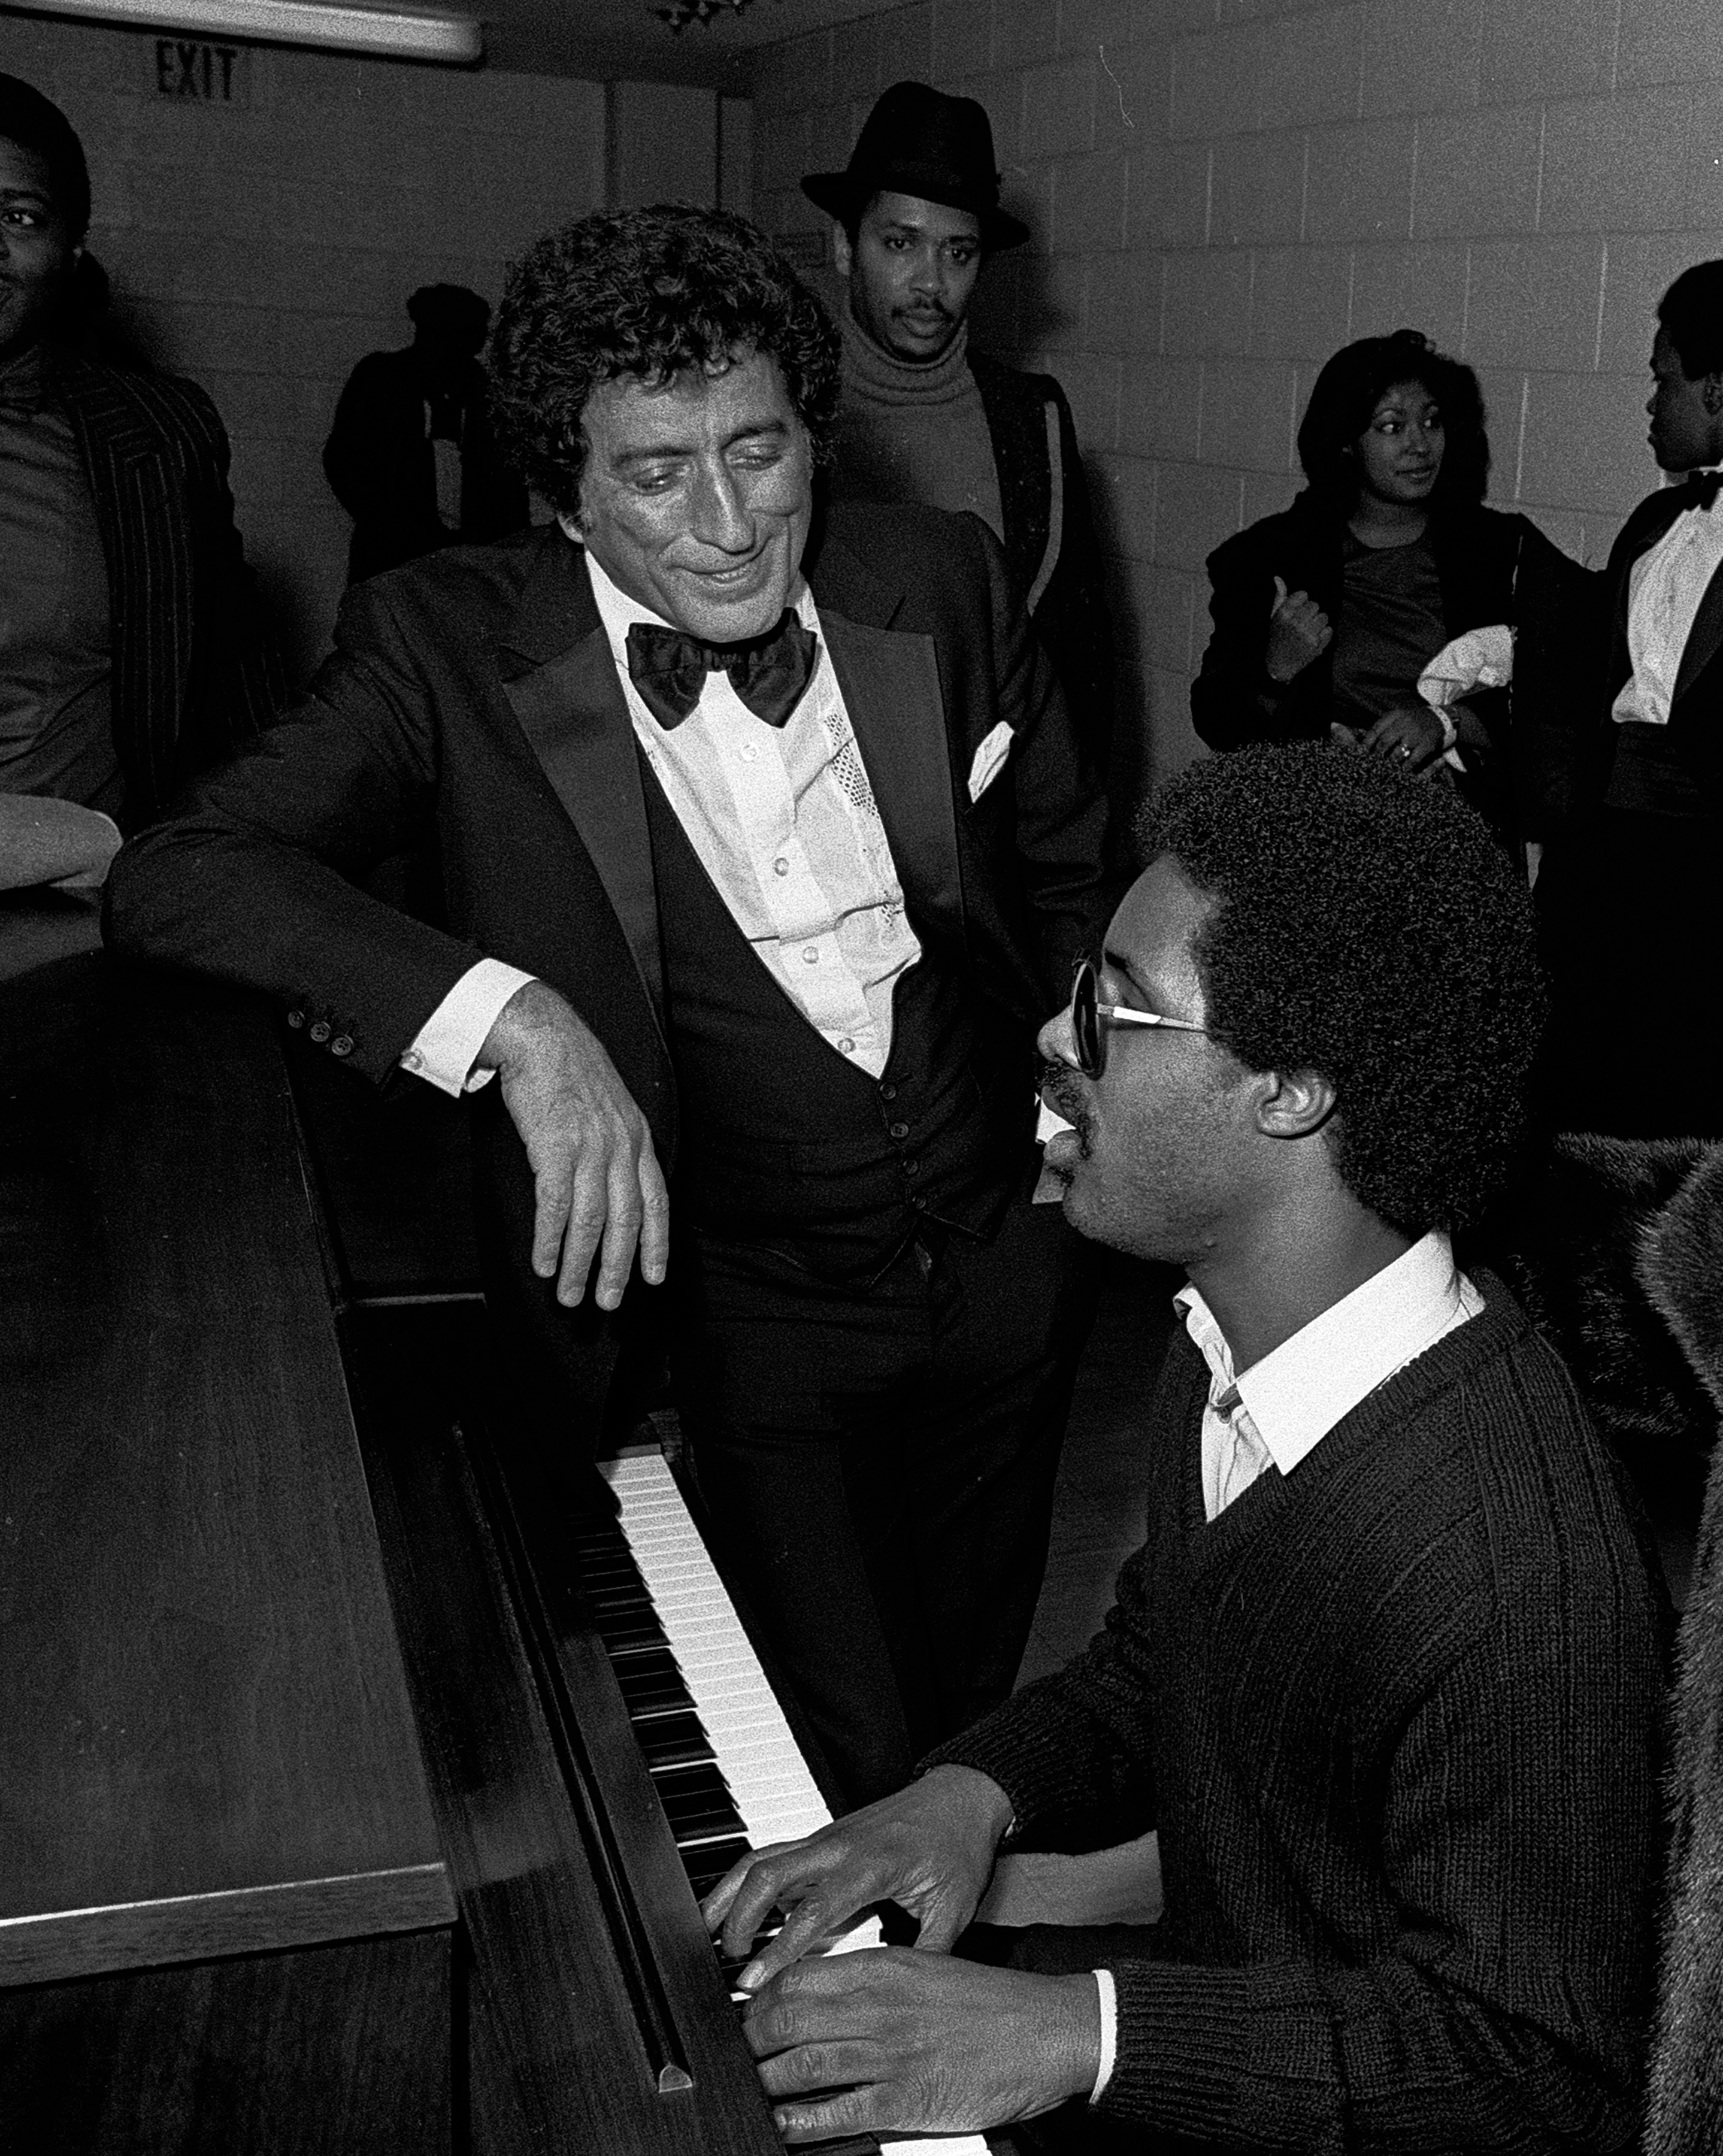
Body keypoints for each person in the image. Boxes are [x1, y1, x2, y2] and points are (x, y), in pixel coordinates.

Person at [107, 204, 1110, 1809]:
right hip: (751, 1315)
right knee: (839, 1752)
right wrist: (512, 1019)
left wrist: (1075, 1103)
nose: (728, 523)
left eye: (758, 451)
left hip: (1008, 1257)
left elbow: (1065, 869)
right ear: (566, 496)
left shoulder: (942, 577)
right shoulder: (444, 643)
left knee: (972, 1711)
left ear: (811, 435)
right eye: (655, 476)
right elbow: (181, 869)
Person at [704, 744, 1665, 2154]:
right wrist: (967, 1796)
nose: (1055, 1033)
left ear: (1289, 1090)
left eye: (1116, 1003)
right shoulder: (1227, 1338)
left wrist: (1076, 2032)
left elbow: (1533, 2070)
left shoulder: (1512, 1571)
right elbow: (1167, 1655)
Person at [803, 81, 1113, 767]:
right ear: (846, 247)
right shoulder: (786, 406)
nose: (930, 283)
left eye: (958, 253)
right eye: (900, 243)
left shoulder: (1031, 415)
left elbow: (1080, 657)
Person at [0, 72, 277, 834]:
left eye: (20, 217)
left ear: (71, 251)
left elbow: (235, 680)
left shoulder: (158, 432)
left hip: (72, 889)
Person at [1191, 330, 1586, 850]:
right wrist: (1276, 671)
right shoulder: (1275, 557)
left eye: (1432, 421)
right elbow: (1217, 721)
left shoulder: (1501, 550)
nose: (1420, 445)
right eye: (1392, 427)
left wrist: (1446, 724)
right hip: (1315, 834)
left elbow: (1573, 689)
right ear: (1346, 441)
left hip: (1456, 837)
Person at [1534, 261, 1723, 1140]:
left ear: (1717, 389)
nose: (1652, 404)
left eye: (1664, 378)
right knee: (1577, 1101)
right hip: (1603, 872)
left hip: (1702, 884)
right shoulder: (1654, 524)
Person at [323, 281, 528, 585]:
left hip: (470, 558)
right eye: (466, 335)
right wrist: (385, 523)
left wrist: (508, 556)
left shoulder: (488, 392)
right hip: (393, 555)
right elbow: (342, 459)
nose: (477, 345)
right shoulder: (381, 379)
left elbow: (510, 484)